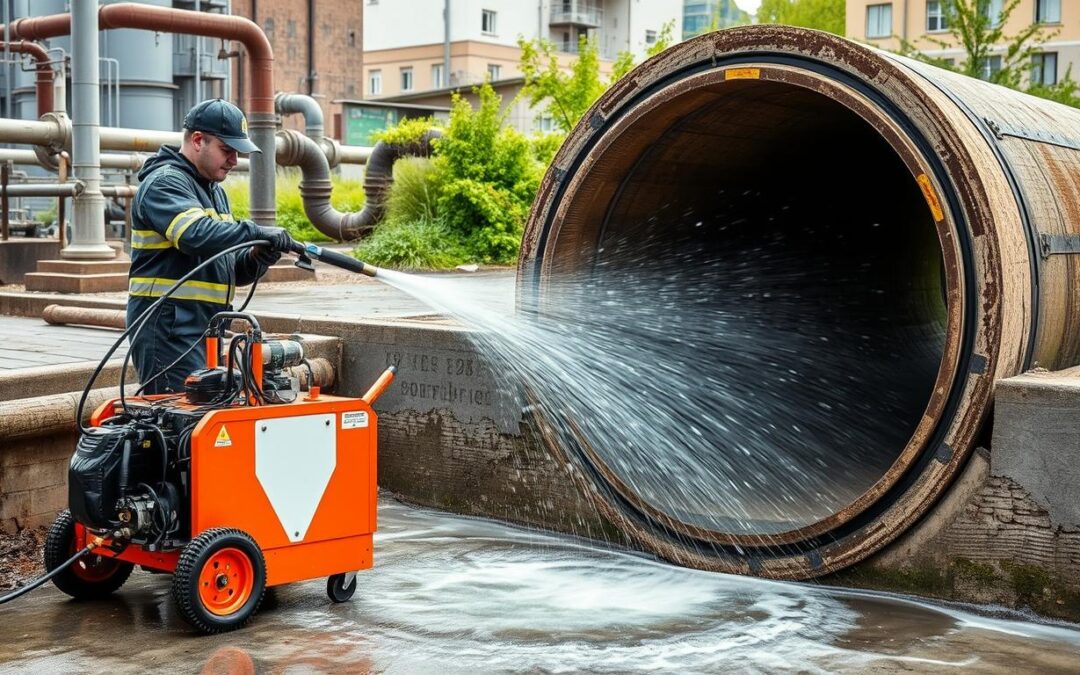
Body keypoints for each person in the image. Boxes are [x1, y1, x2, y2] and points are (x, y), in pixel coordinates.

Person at [127, 99, 295, 394]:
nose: (233, 160)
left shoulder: (215, 193)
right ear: (197, 141)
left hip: (205, 329)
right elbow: (195, 235)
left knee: (205, 415)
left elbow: (225, 268)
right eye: (227, 150)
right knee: (177, 418)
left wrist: (257, 257)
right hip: (168, 330)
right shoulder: (164, 184)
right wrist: (254, 230)